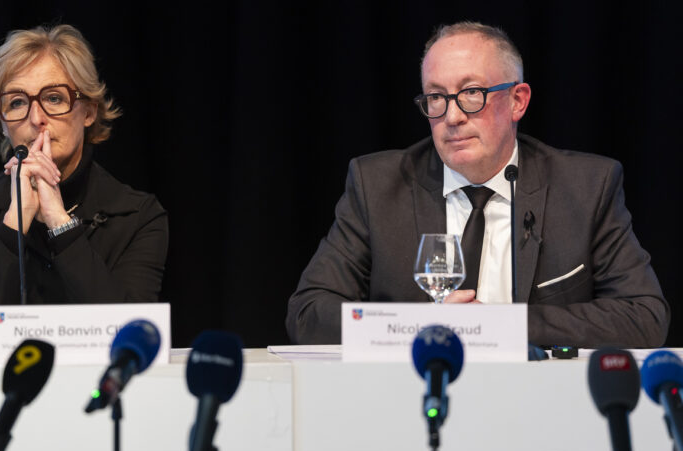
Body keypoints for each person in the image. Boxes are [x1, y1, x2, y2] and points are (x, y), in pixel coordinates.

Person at [286, 21, 669, 348]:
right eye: (436, 97)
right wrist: (425, 326)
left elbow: (644, 316)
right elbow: (308, 312)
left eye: (472, 93)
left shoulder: (585, 188)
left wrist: (500, 326)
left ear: (517, 101)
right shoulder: (378, 186)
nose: (452, 116)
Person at [0, 24, 168, 352]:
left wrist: (60, 222)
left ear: (89, 111)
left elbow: (131, 342)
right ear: (3, 122)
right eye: (17, 102)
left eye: (54, 98)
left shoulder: (138, 216)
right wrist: (15, 221)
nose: (36, 118)